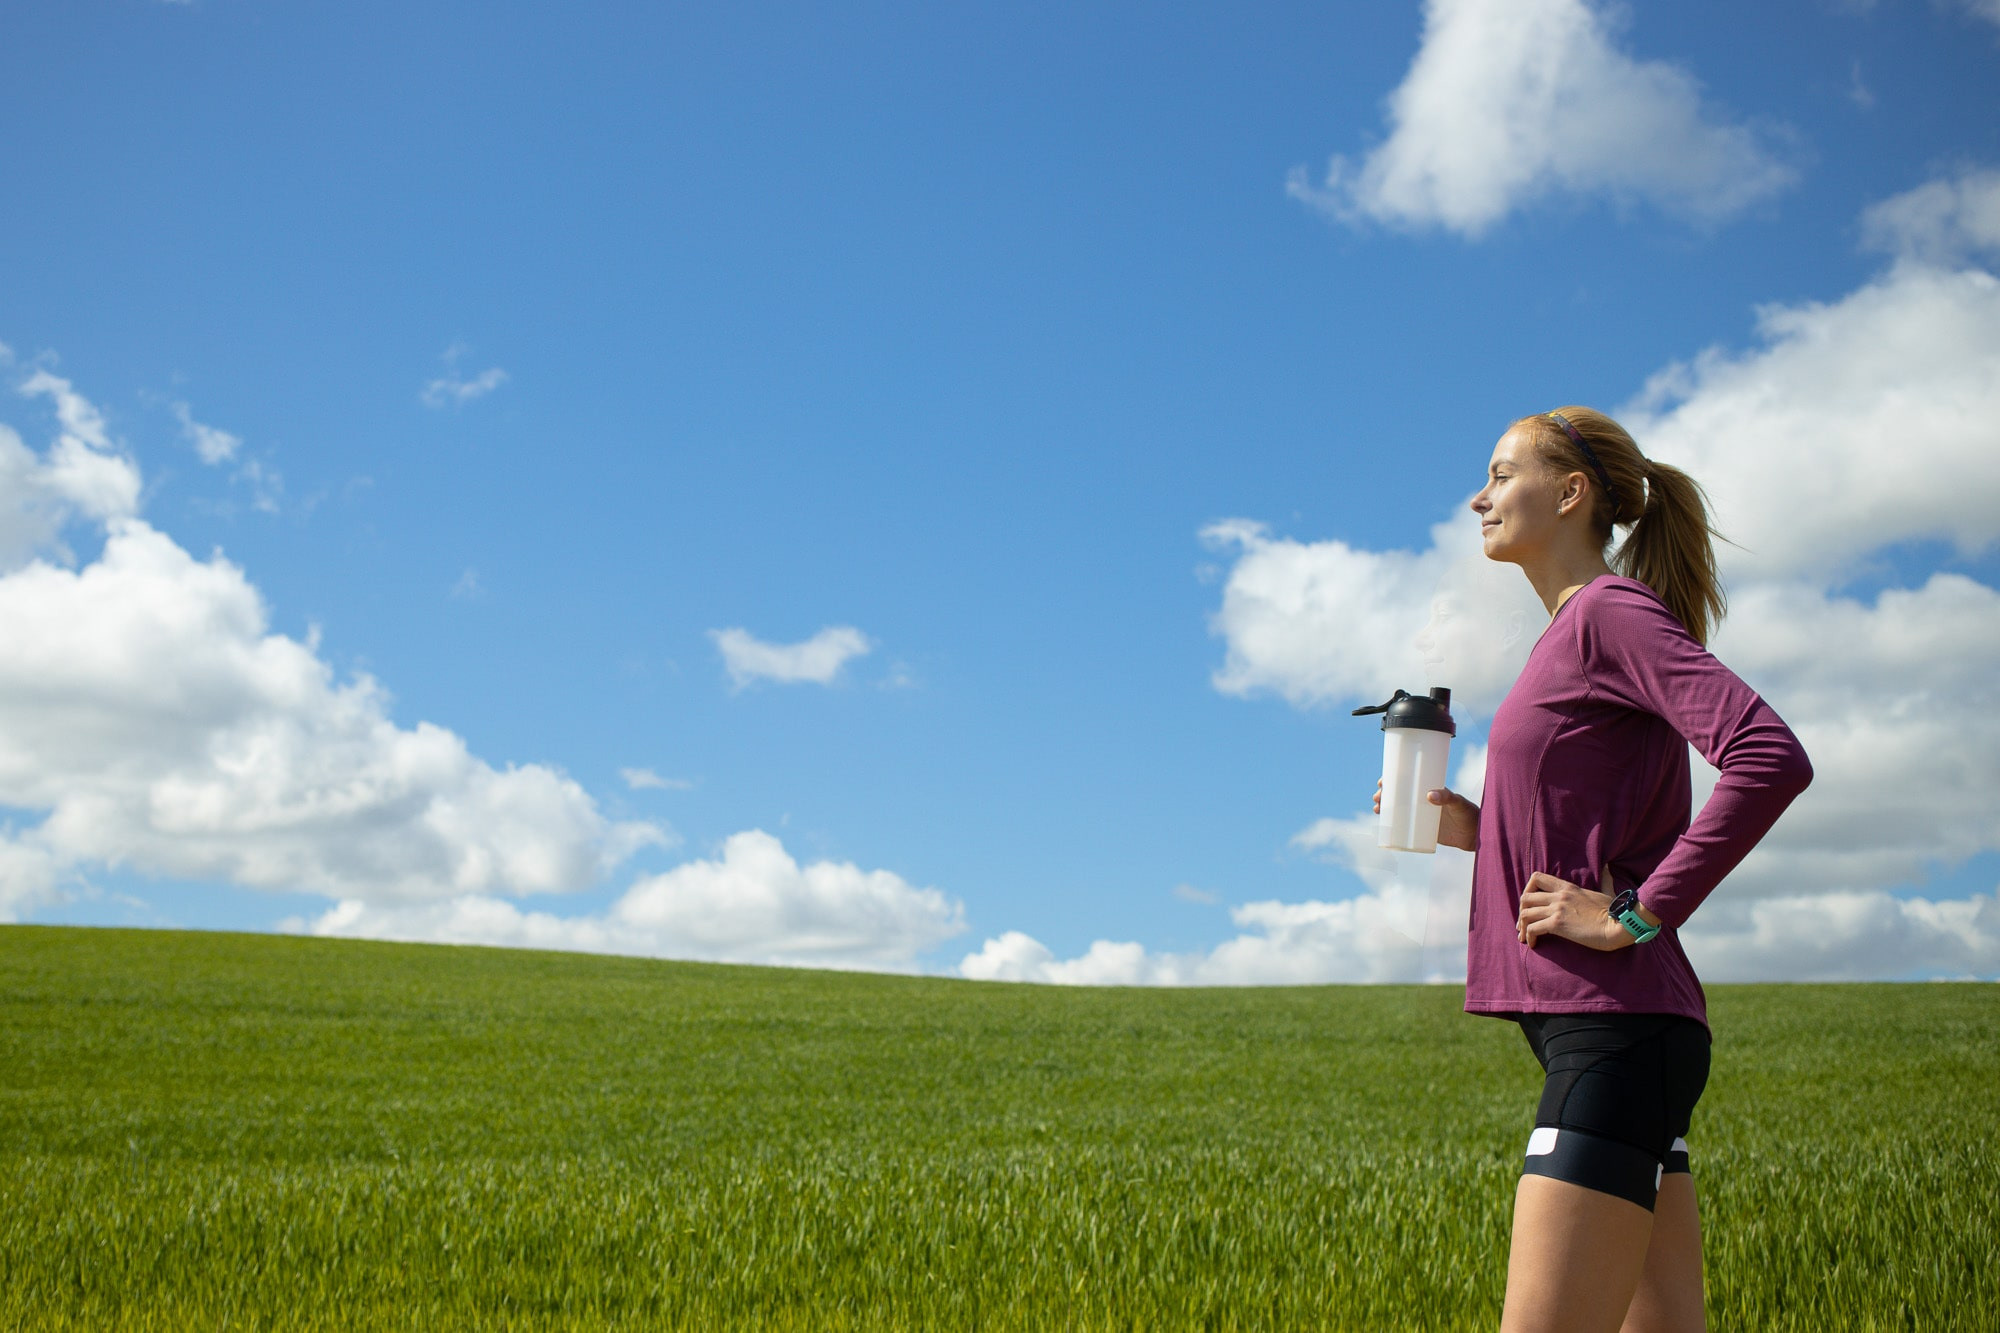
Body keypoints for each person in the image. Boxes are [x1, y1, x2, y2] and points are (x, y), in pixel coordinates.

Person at [1377, 407, 1812, 1332]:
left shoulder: (1611, 614)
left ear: (1571, 494)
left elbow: (1768, 754)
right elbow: (1584, 820)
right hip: (1624, 1038)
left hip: (1615, 1033)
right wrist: (1476, 827)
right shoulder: (1570, 634)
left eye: (1500, 475)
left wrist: (1633, 915)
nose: (1477, 496)